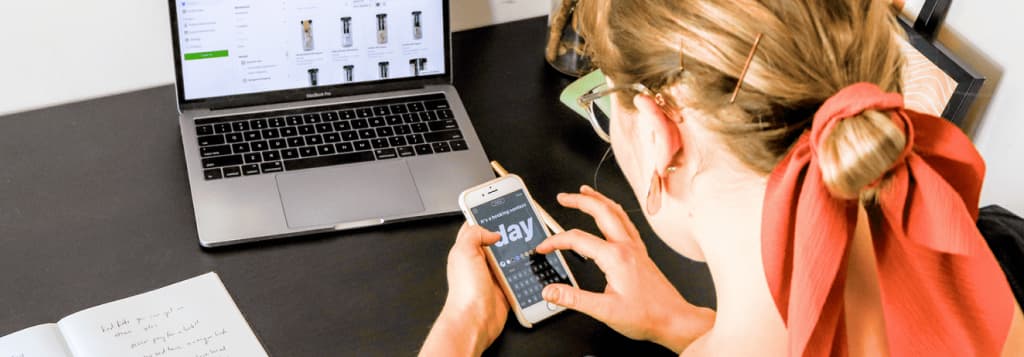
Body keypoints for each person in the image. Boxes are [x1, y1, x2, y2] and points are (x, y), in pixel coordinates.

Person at [419, 0, 1024, 355]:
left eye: (607, 101)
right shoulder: (993, 265)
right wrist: (681, 325)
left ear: (659, 136)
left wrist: (462, 325)